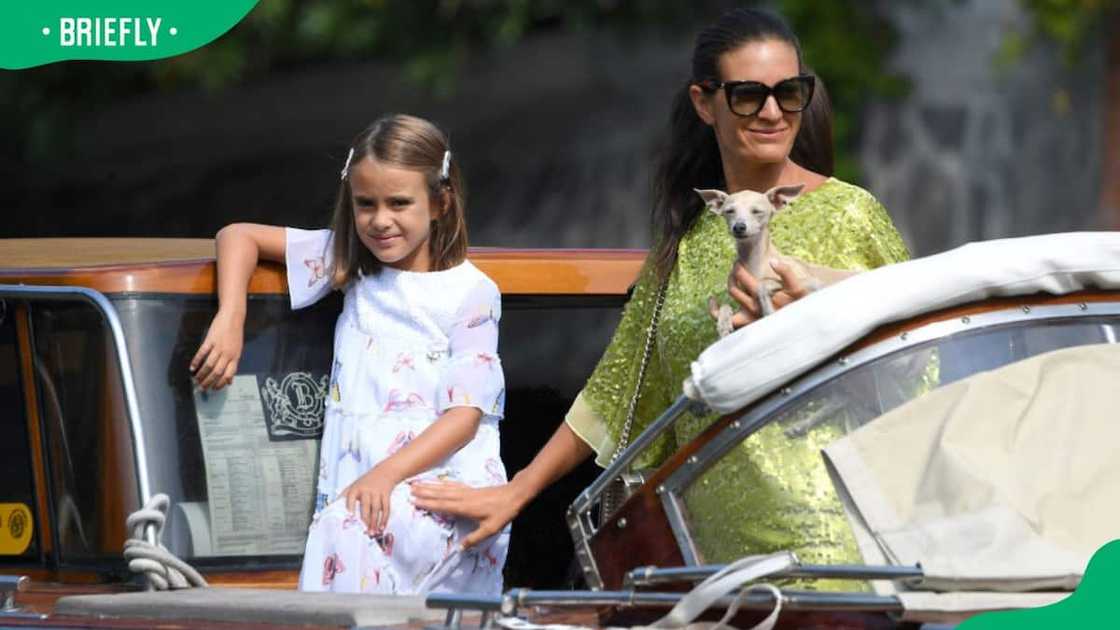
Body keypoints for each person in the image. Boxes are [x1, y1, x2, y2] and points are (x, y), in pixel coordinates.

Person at [411, 8, 910, 573]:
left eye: (789, 92)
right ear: (705, 103)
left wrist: (822, 316)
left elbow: (924, 366)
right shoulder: (688, 240)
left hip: (834, 547)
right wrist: (516, 492)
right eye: (749, 95)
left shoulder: (851, 214)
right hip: (707, 563)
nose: (773, 112)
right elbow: (614, 390)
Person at [189, 114, 508, 595]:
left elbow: (464, 416)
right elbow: (237, 235)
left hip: (439, 493)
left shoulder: (470, 293)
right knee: (345, 544)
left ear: (441, 202)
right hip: (367, 498)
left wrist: (385, 475)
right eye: (366, 204)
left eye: (399, 203)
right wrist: (231, 316)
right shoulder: (350, 264)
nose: (380, 220)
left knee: (345, 538)